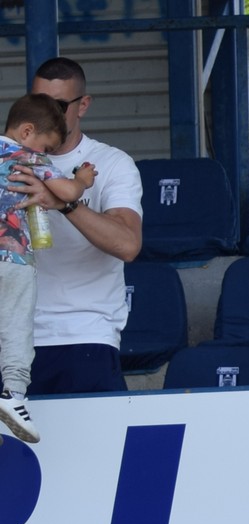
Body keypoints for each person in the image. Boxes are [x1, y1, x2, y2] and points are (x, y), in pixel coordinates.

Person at [20, 57, 140, 398]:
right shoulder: (8, 160)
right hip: (13, 336)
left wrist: (65, 203)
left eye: (58, 105)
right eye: (38, 103)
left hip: (84, 334)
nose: (46, 114)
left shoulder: (111, 163)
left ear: (82, 105)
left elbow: (128, 244)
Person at [0, 94, 91, 438]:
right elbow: (66, 191)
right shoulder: (27, 157)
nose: (48, 154)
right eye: (49, 147)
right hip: (13, 259)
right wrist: (81, 180)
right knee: (15, 328)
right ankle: (14, 395)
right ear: (27, 132)